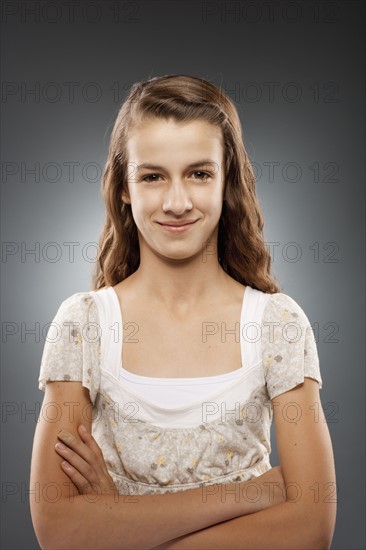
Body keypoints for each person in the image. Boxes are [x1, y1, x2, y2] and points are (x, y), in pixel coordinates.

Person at [30, 74, 337, 549]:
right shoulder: (83, 325)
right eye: (153, 176)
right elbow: (59, 530)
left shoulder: (278, 324)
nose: (177, 202)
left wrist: (119, 522)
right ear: (124, 188)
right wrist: (254, 493)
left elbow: (312, 527)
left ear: (226, 180)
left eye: (199, 173)